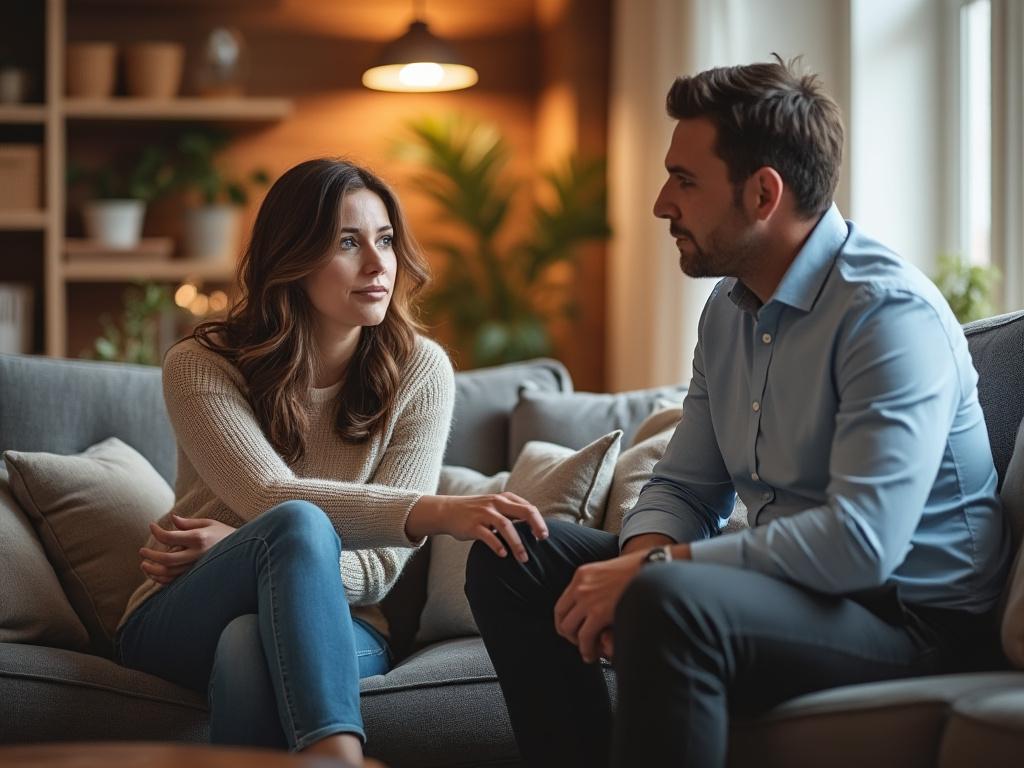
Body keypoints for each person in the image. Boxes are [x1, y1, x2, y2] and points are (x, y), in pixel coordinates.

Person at [465, 56, 1011, 768]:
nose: (662, 203)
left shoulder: (886, 315)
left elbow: (862, 543)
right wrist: (636, 563)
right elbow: (688, 485)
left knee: (671, 597)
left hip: (910, 620)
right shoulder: (727, 311)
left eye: (684, 181)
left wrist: (658, 571)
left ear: (762, 194)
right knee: (512, 553)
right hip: (797, 590)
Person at [115, 158, 548, 767]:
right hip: (183, 609)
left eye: (386, 240)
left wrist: (256, 559)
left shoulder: (421, 371)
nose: (378, 265)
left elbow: (381, 568)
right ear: (292, 258)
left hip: (344, 622)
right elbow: (271, 495)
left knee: (248, 640)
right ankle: (340, 758)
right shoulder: (201, 363)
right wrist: (436, 511)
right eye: (348, 242)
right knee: (296, 524)